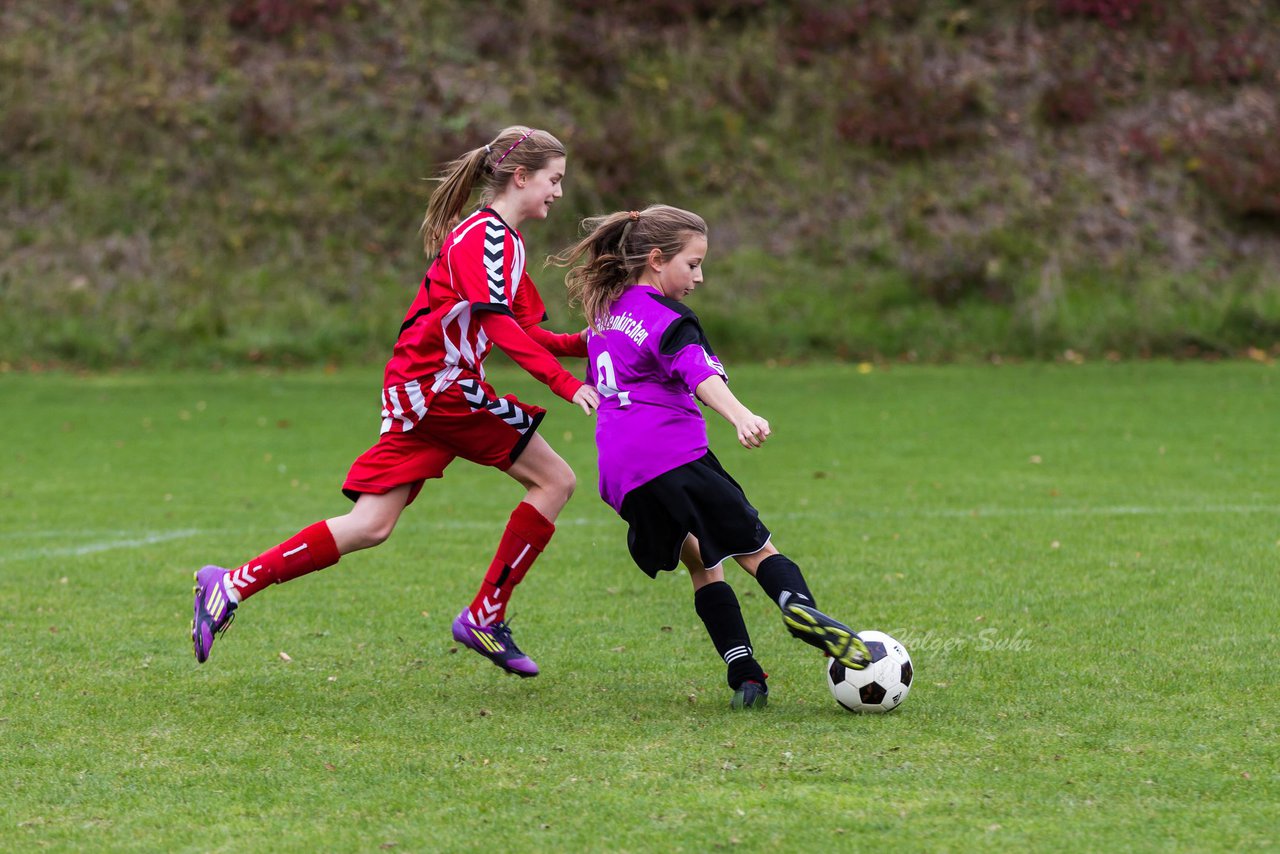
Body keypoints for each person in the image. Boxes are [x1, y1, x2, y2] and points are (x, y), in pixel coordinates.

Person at [192, 125, 599, 677]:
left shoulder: (506, 242)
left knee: (371, 525)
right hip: (442, 389)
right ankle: (486, 613)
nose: (557, 191)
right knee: (556, 481)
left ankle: (231, 585)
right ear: (520, 177)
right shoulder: (484, 240)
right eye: (553, 180)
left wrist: (599, 344)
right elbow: (500, 328)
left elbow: (533, 334)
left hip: (421, 389)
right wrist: (567, 385)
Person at [550, 204, 870, 708]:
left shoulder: (606, 315)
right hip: (672, 455)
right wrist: (740, 415)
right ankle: (798, 608)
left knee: (702, 559)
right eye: (692, 264)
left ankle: (745, 674)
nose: (699, 277)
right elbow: (698, 371)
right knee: (756, 548)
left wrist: (507, 333)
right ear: (656, 259)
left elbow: (571, 344)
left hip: (620, 477)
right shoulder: (668, 318)